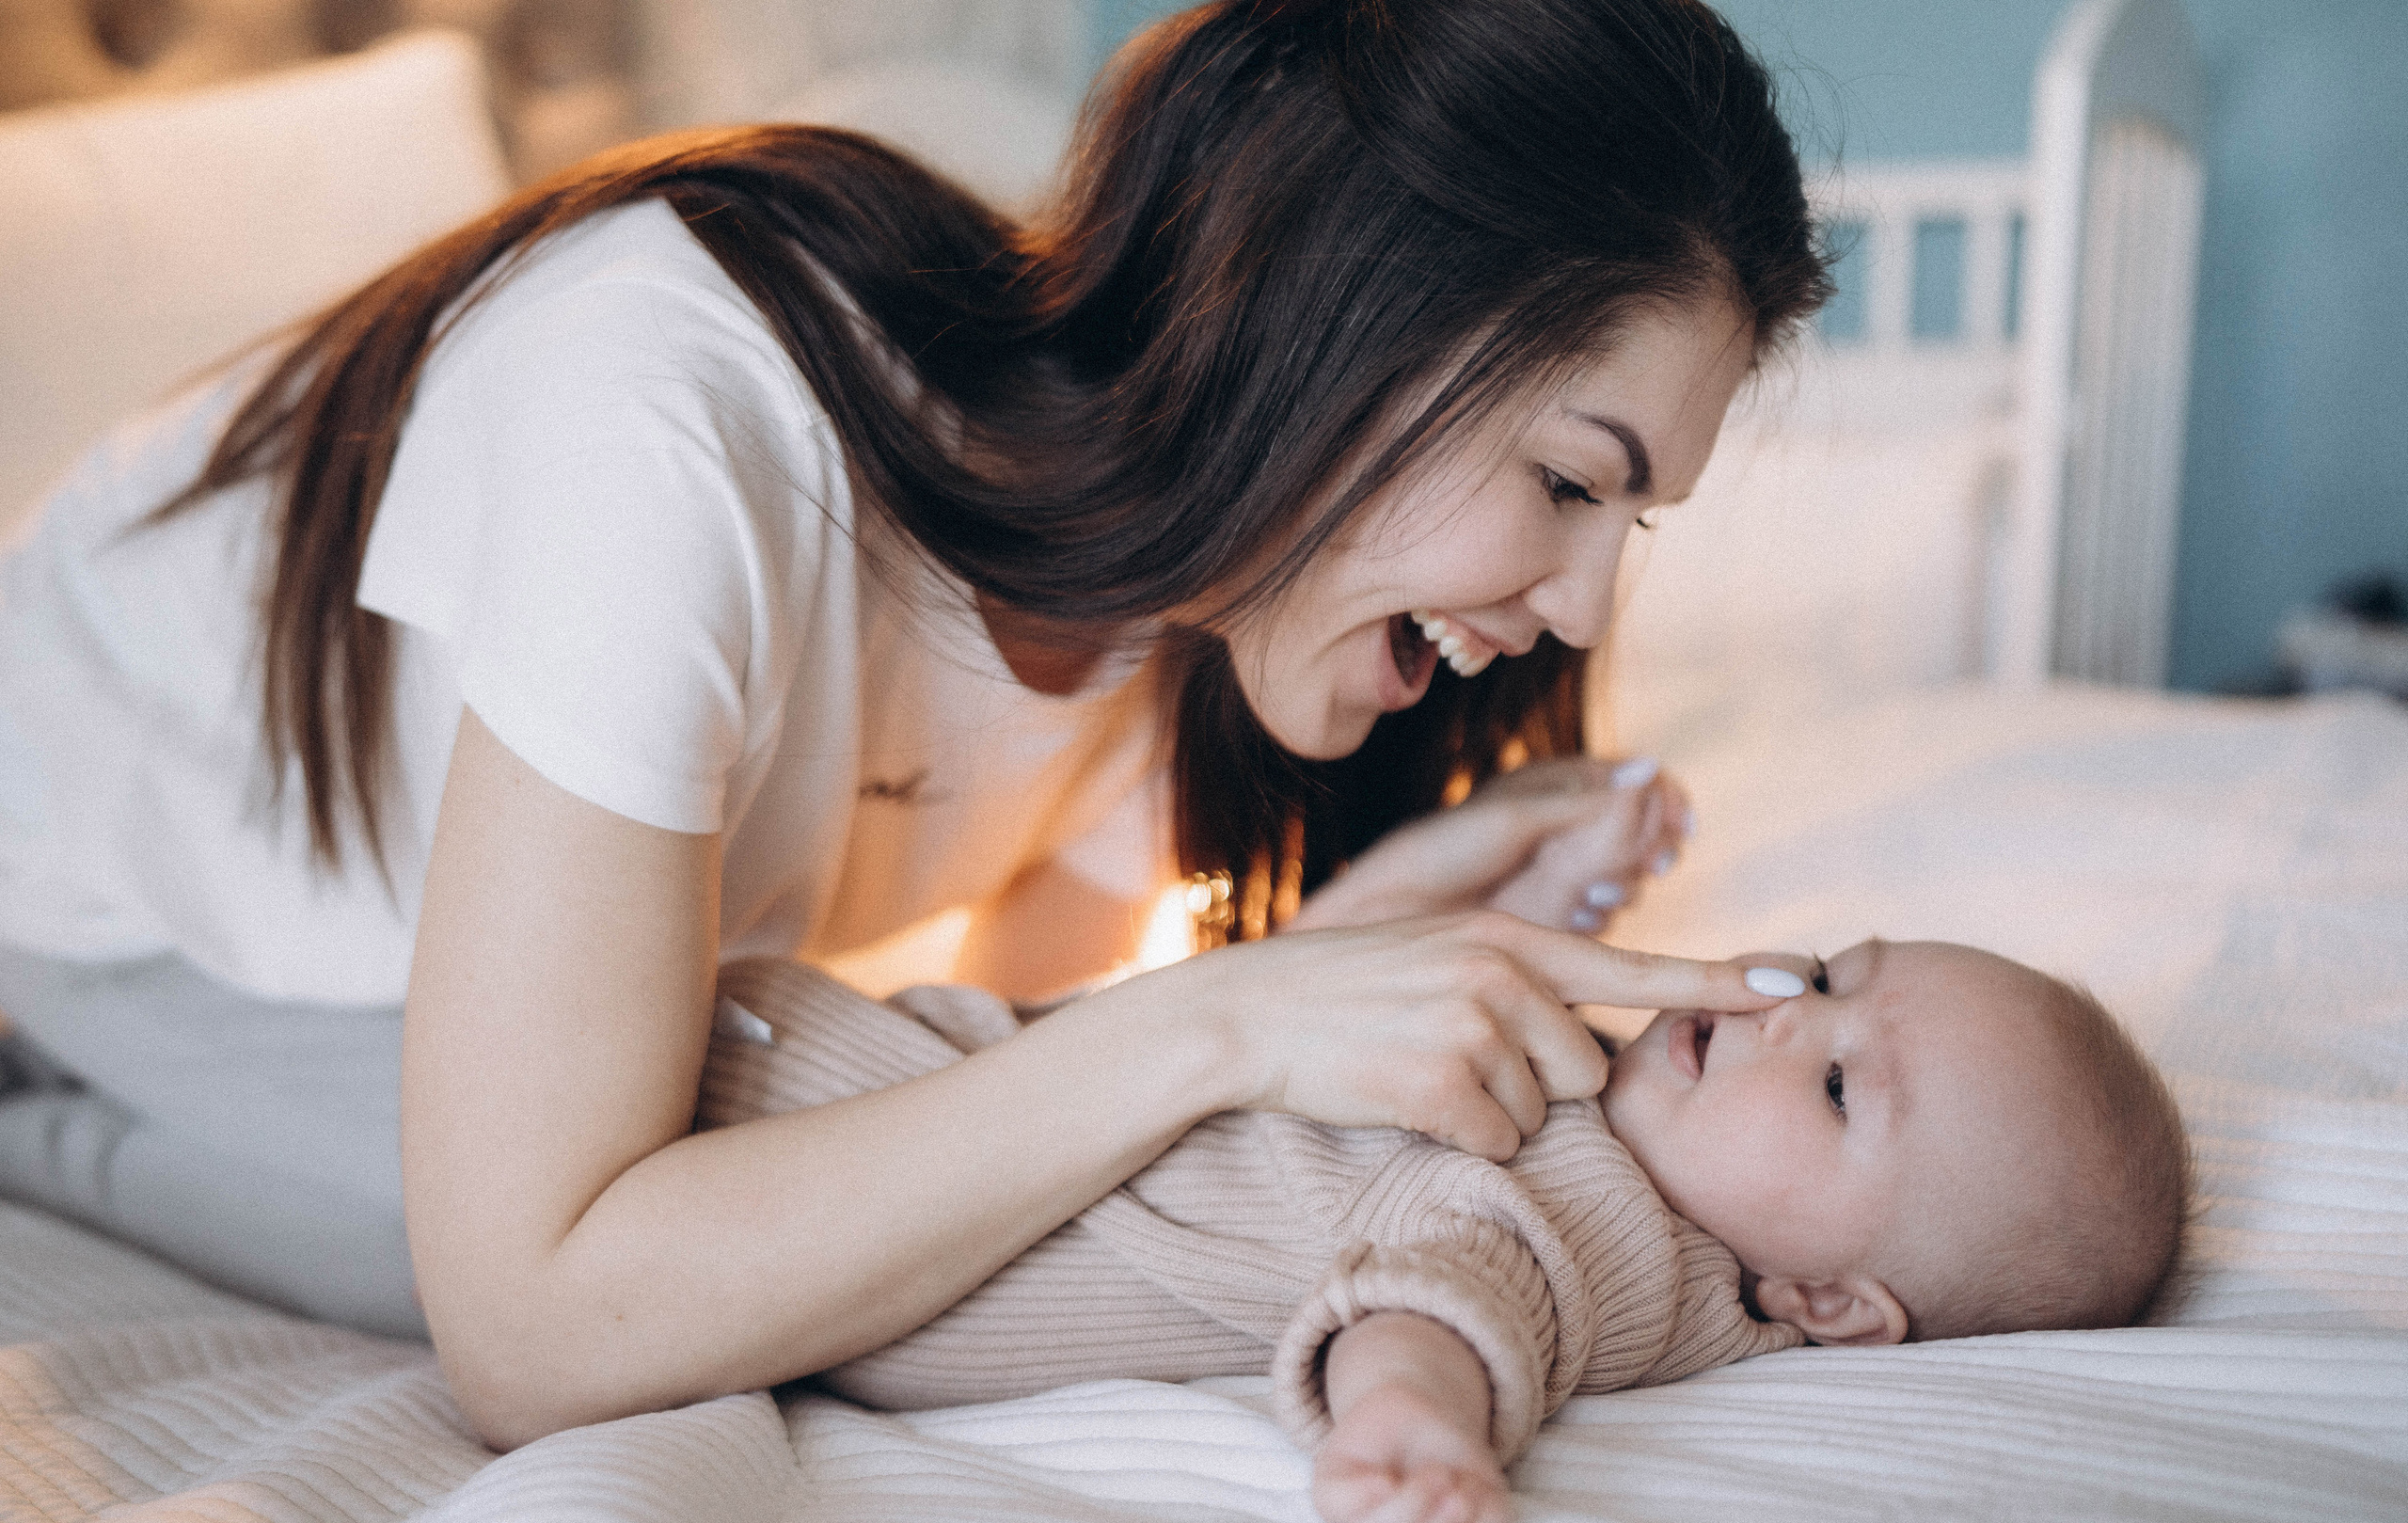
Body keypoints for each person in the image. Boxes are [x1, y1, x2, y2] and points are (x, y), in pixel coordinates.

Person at [0, 0, 1832, 1450]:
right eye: (1567, 481)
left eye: (1629, 522)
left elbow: (990, 1098)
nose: (1583, 614)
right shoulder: (669, 407)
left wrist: (1364, 946)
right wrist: (1229, 1016)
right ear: (1342, 319)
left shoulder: (1175, 610)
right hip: (113, 890)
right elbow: (536, 1331)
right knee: (594, 1265)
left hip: (394, 937)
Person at [692, 933, 2190, 1523]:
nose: (1785, 1017)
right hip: (849, 1086)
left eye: (1842, 1087)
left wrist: (1410, 1420)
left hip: (785, 1165)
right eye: (1827, 974)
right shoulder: (1601, 1091)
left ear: (1828, 1304)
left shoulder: (1623, 1225)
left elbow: (1462, 1289)